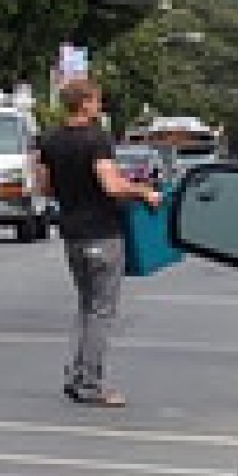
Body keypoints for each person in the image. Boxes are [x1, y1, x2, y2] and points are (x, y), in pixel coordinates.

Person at [34, 76, 164, 408]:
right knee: (102, 309)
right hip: (103, 231)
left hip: (72, 233)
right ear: (87, 103)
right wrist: (143, 191)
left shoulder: (49, 141)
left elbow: (44, 188)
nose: (100, 106)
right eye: (97, 100)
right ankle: (90, 382)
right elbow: (111, 186)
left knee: (85, 304)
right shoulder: (97, 140)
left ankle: (76, 374)